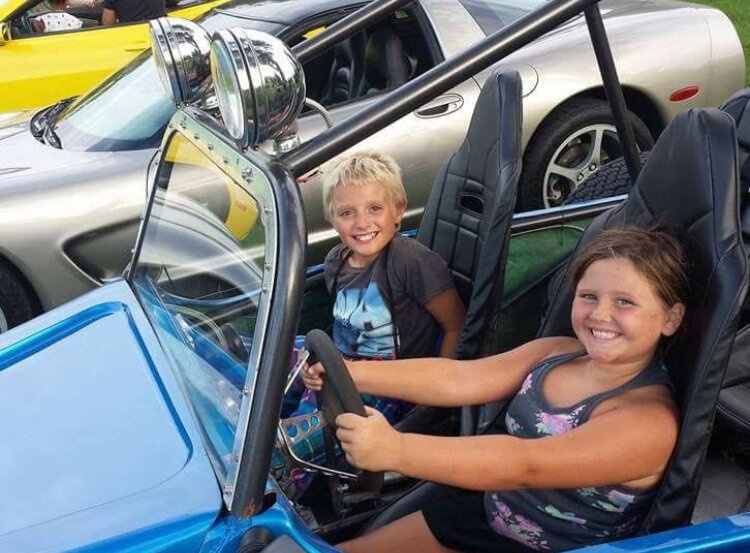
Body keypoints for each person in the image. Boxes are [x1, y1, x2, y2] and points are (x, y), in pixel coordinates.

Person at [303, 226, 690, 553]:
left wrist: (395, 450)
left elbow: (524, 465)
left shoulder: (647, 421)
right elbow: (460, 379)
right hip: (486, 513)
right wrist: (351, 373)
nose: (600, 314)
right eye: (589, 296)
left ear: (671, 318)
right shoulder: (559, 352)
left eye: (625, 302)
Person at [277, 151, 465, 492]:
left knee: (287, 444)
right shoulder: (337, 261)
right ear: (333, 219)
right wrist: (314, 366)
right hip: (340, 364)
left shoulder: (410, 261)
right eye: (347, 213)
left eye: (374, 209)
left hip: (388, 385)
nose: (362, 223)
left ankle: (287, 471)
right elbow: (343, 332)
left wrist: (434, 401)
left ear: (398, 209)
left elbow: (455, 325)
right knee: (272, 356)